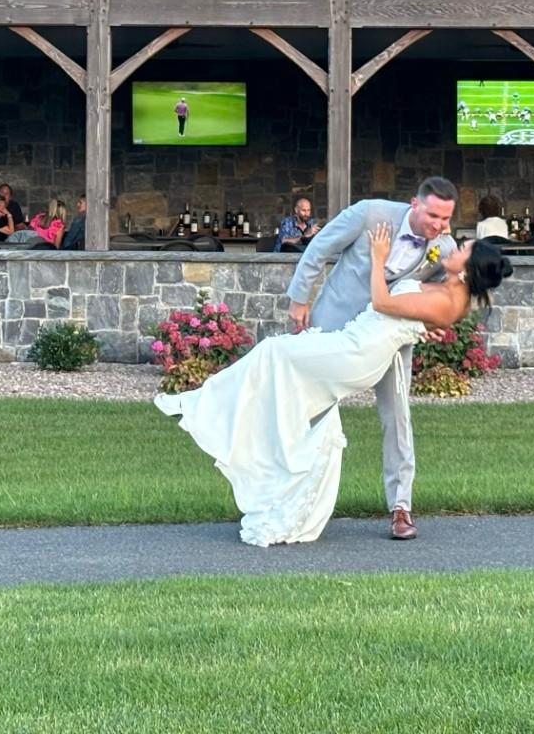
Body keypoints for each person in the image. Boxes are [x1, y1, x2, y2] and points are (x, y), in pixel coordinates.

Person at [162, 216, 509, 547]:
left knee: (274, 352)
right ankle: (269, 474)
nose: (455, 247)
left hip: (359, 352)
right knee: (294, 391)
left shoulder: (448, 300)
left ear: (467, 269)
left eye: (463, 249)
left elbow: (383, 302)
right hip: (355, 341)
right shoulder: (447, 289)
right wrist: (421, 325)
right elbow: (413, 312)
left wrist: (378, 258)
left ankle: (206, 408)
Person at [278, 176, 469, 542]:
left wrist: (432, 323)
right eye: (433, 216)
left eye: (446, 219)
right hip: (336, 324)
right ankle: (294, 500)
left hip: (388, 339)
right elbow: (319, 248)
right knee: (311, 411)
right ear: (414, 203)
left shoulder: (443, 248)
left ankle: (400, 507)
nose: (438, 226)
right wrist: (299, 299)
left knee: (398, 416)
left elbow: (441, 296)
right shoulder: (369, 214)